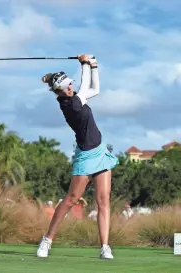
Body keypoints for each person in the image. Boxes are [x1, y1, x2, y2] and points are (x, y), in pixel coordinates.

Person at [36, 54, 119, 259]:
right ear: (58, 91)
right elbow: (85, 87)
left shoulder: (75, 98)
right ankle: (47, 240)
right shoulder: (70, 104)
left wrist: (94, 66)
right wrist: (83, 64)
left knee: (103, 200)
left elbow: (95, 89)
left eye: (69, 84)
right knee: (71, 199)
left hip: (100, 151)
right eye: (65, 87)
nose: (69, 88)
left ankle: (105, 247)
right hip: (85, 156)